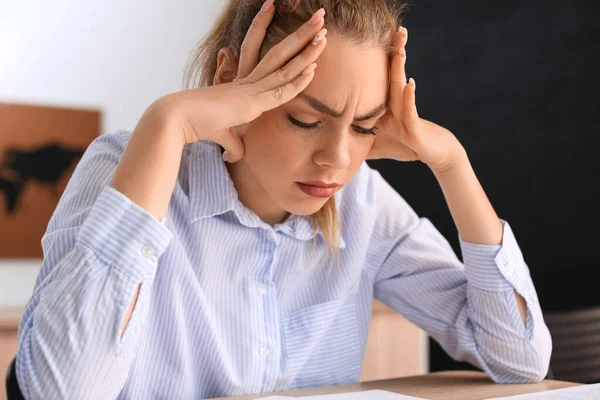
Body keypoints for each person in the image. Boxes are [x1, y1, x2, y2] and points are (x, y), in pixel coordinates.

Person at [14, 0, 552, 398]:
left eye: (364, 127)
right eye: (306, 119)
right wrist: (168, 120)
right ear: (231, 83)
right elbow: (62, 392)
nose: (336, 159)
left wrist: (453, 163)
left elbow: (519, 359)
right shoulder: (125, 165)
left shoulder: (361, 200)